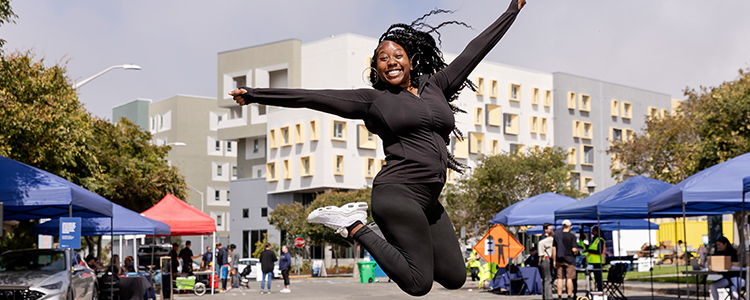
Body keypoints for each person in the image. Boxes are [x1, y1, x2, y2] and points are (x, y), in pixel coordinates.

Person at [229, 0, 527, 296]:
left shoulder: (436, 86)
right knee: (418, 283)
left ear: (411, 60)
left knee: (454, 276)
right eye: (383, 58)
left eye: (398, 55)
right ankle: (354, 225)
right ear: (377, 68)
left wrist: (512, 10)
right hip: (397, 193)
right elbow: (313, 96)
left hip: (430, 200)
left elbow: (474, 51)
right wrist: (256, 94)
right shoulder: (374, 100)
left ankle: (367, 230)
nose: (391, 61)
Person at [553, 220, 578, 300]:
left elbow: (554, 249)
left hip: (559, 259)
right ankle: (569, 296)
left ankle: (559, 296)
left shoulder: (557, 236)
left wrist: (554, 260)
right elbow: (574, 249)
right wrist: (577, 251)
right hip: (570, 259)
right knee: (569, 278)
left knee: (560, 278)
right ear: (569, 226)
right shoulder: (572, 236)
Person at [538, 223, 555, 300]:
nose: (551, 230)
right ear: (545, 230)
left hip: (546, 259)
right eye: (550, 229)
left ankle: (546, 296)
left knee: (546, 279)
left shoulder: (544, 239)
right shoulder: (543, 239)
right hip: (546, 259)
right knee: (547, 279)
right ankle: (548, 296)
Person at [586, 226, 605, 291]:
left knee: (598, 278)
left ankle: (600, 291)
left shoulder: (600, 240)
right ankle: (593, 290)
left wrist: (589, 250)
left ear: (597, 232)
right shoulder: (594, 240)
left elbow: (599, 251)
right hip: (592, 262)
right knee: (592, 277)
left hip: (598, 261)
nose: (592, 232)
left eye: (593, 231)